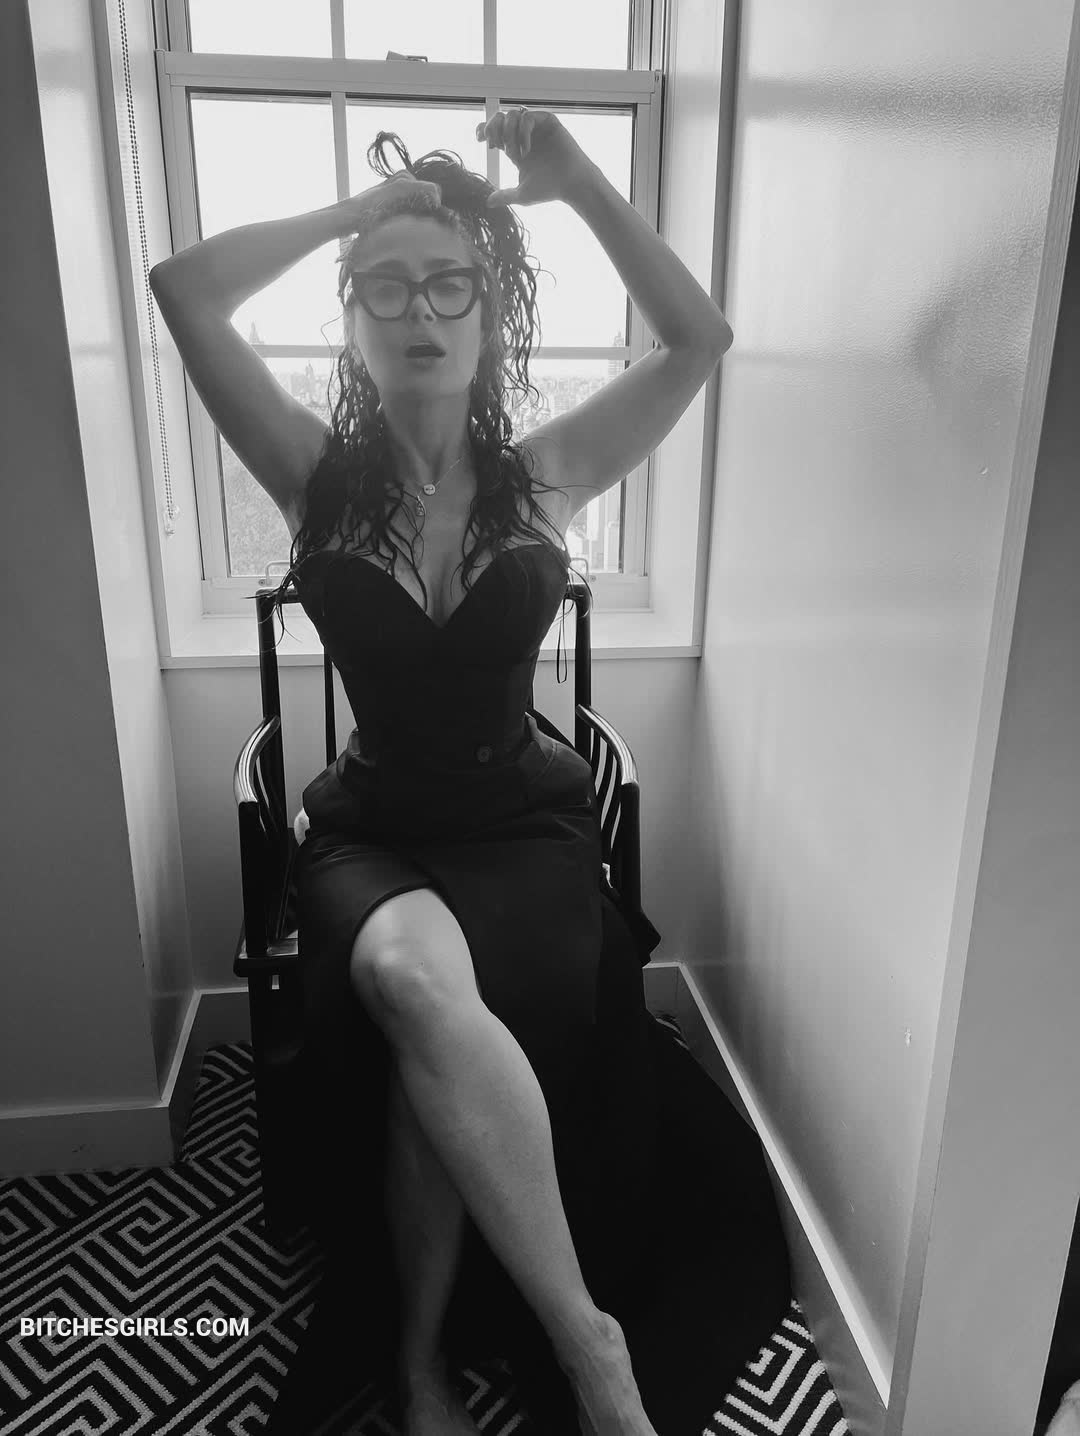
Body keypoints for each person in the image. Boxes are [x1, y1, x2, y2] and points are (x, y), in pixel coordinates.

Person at [150, 108, 732, 1434]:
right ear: (352, 318)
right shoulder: (311, 476)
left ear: (492, 307)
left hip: (524, 826)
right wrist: (358, 217)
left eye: (450, 281)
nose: (420, 308)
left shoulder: (547, 475)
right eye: (387, 286)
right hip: (377, 830)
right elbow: (183, 290)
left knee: (435, 1028)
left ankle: (419, 1363)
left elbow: (698, 339)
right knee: (416, 981)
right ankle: (591, 1348)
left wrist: (576, 182)